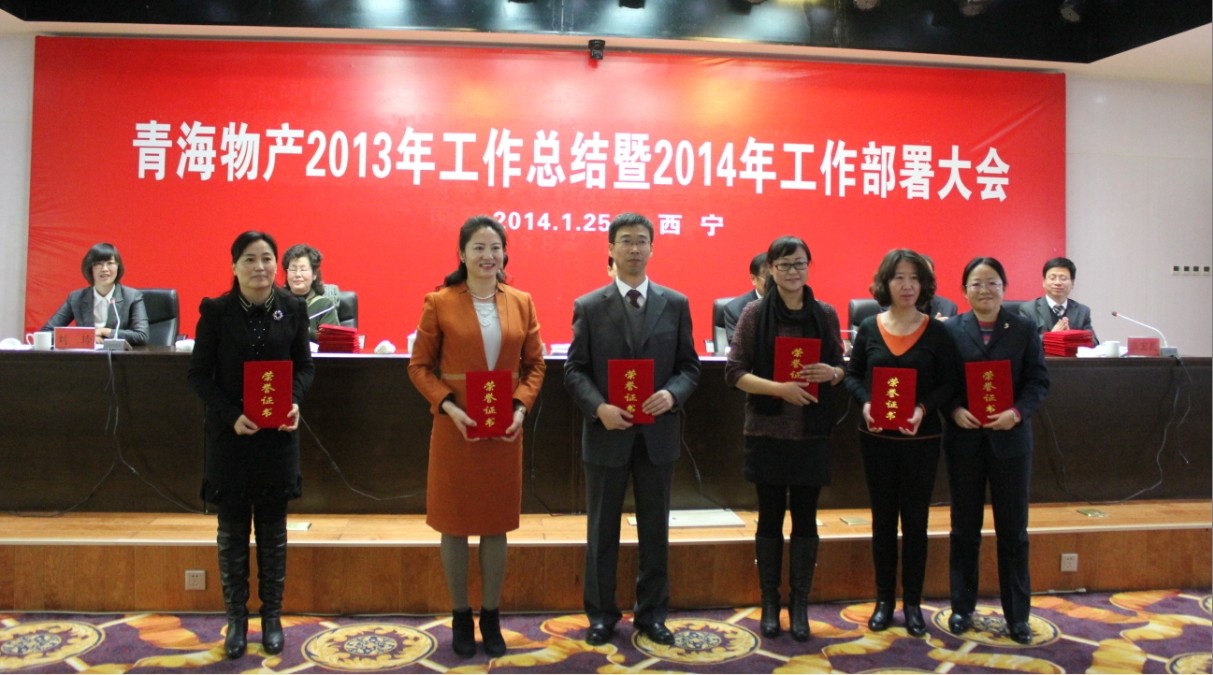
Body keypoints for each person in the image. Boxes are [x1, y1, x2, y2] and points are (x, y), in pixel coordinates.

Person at [407, 215, 546, 659]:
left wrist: (520, 408)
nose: (488, 256)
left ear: (505, 254)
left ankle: (491, 615)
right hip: (456, 429)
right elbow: (419, 367)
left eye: (495, 248)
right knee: (453, 524)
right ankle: (460, 615)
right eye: (479, 248)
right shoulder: (439, 302)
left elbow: (535, 366)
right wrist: (448, 406)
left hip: (503, 430)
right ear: (462, 254)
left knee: (495, 524)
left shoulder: (521, 302)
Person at [564, 212, 700, 647]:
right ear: (610, 248)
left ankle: (652, 614)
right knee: (601, 531)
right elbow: (574, 370)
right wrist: (598, 407)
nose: (635, 248)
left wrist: (672, 395)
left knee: (655, 531)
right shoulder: (589, 305)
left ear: (652, 248)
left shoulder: (675, 303)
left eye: (642, 240)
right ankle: (601, 615)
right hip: (607, 434)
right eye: (626, 241)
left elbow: (689, 367)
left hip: (657, 436)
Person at [186, 231, 314, 660]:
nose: (260, 267)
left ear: (277, 264)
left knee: (274, 532)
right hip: (231, 438)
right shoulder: (216, 312)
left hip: (278, 437)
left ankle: (272, 617)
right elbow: (198, 374)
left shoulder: (292, 308)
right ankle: (237, 620)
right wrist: (229, 414)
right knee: (233, 532)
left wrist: (293, 400)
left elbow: (304, 367)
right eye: (249, 259)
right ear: (234, 266)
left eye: (266, 258)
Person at [723, 236, 844, 642]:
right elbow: (734, 372)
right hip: (767, 432)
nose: (794, 271)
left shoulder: (825, 313)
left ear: (809, 266)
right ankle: (770, 602)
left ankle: (801, 603)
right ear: (771, 270)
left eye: (800, 264)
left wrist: (832, 374)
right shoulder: (754, 314)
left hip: (812, 432)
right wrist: (779, 389)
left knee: (806, 518)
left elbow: (840, 366)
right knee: (770, 518)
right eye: (785, 265)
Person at [843, 248, 959, 638]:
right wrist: (865, 403)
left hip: (920, 439)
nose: (907, 285)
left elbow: (950, 383)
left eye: (914, 278)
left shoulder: (938, 331)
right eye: (899, 277)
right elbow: (852, 374)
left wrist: (923, 408)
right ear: (886, 283)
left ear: (924, 285)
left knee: (915, 522)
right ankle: (883, 601)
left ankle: (912, 604)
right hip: (876, 438)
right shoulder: (869, 327)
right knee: (882, 520)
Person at [944, 257, 1050, 645]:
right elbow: (941, 382)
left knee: (1013, 532)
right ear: (964, 290)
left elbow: (1038, 382)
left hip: (1011, 442)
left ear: (1004, 287)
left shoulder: (1023, 328)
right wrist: (953, 410)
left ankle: (1017, 615)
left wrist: (1016, 412)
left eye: (992, 283)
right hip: (965, 441)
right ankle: (961, 607)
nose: (985, 290)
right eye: (976, 283)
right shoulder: (950, 329)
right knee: (964, 529)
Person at [41, 242, 149, 346]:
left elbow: (142, 336)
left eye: (110, 263)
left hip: (119, 356)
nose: (104, 269)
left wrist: (104, 331)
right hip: (86, 357)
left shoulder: (132, 296)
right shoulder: (76, 298)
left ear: (118, 267)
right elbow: (45, 333)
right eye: (98, 264)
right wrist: (87, 337)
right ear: (90, 269)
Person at [1019, 257, 1097, 342]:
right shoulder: (1029, 310)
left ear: (1072, 283)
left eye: (1063, 279)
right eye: (1052, 278)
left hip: (1072, 351)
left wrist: (1072, 337)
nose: (1057, 283)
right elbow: (1023, 342)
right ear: (1044, 282)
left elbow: (1094, 342)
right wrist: (1051, 337)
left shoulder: (1082, 311)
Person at [281, 244, 341, 341]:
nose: (297, 274)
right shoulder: (276, 303)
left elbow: (332, 340)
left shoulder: (324, 306)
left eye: (303, 269)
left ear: (314, 275)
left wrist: (305, 331)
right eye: (293, 269)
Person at [721, 252, 767, 343]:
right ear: (753, 279)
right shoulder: (735, 309)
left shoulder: (791, 303)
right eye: (768, 277)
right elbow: (737, 345)